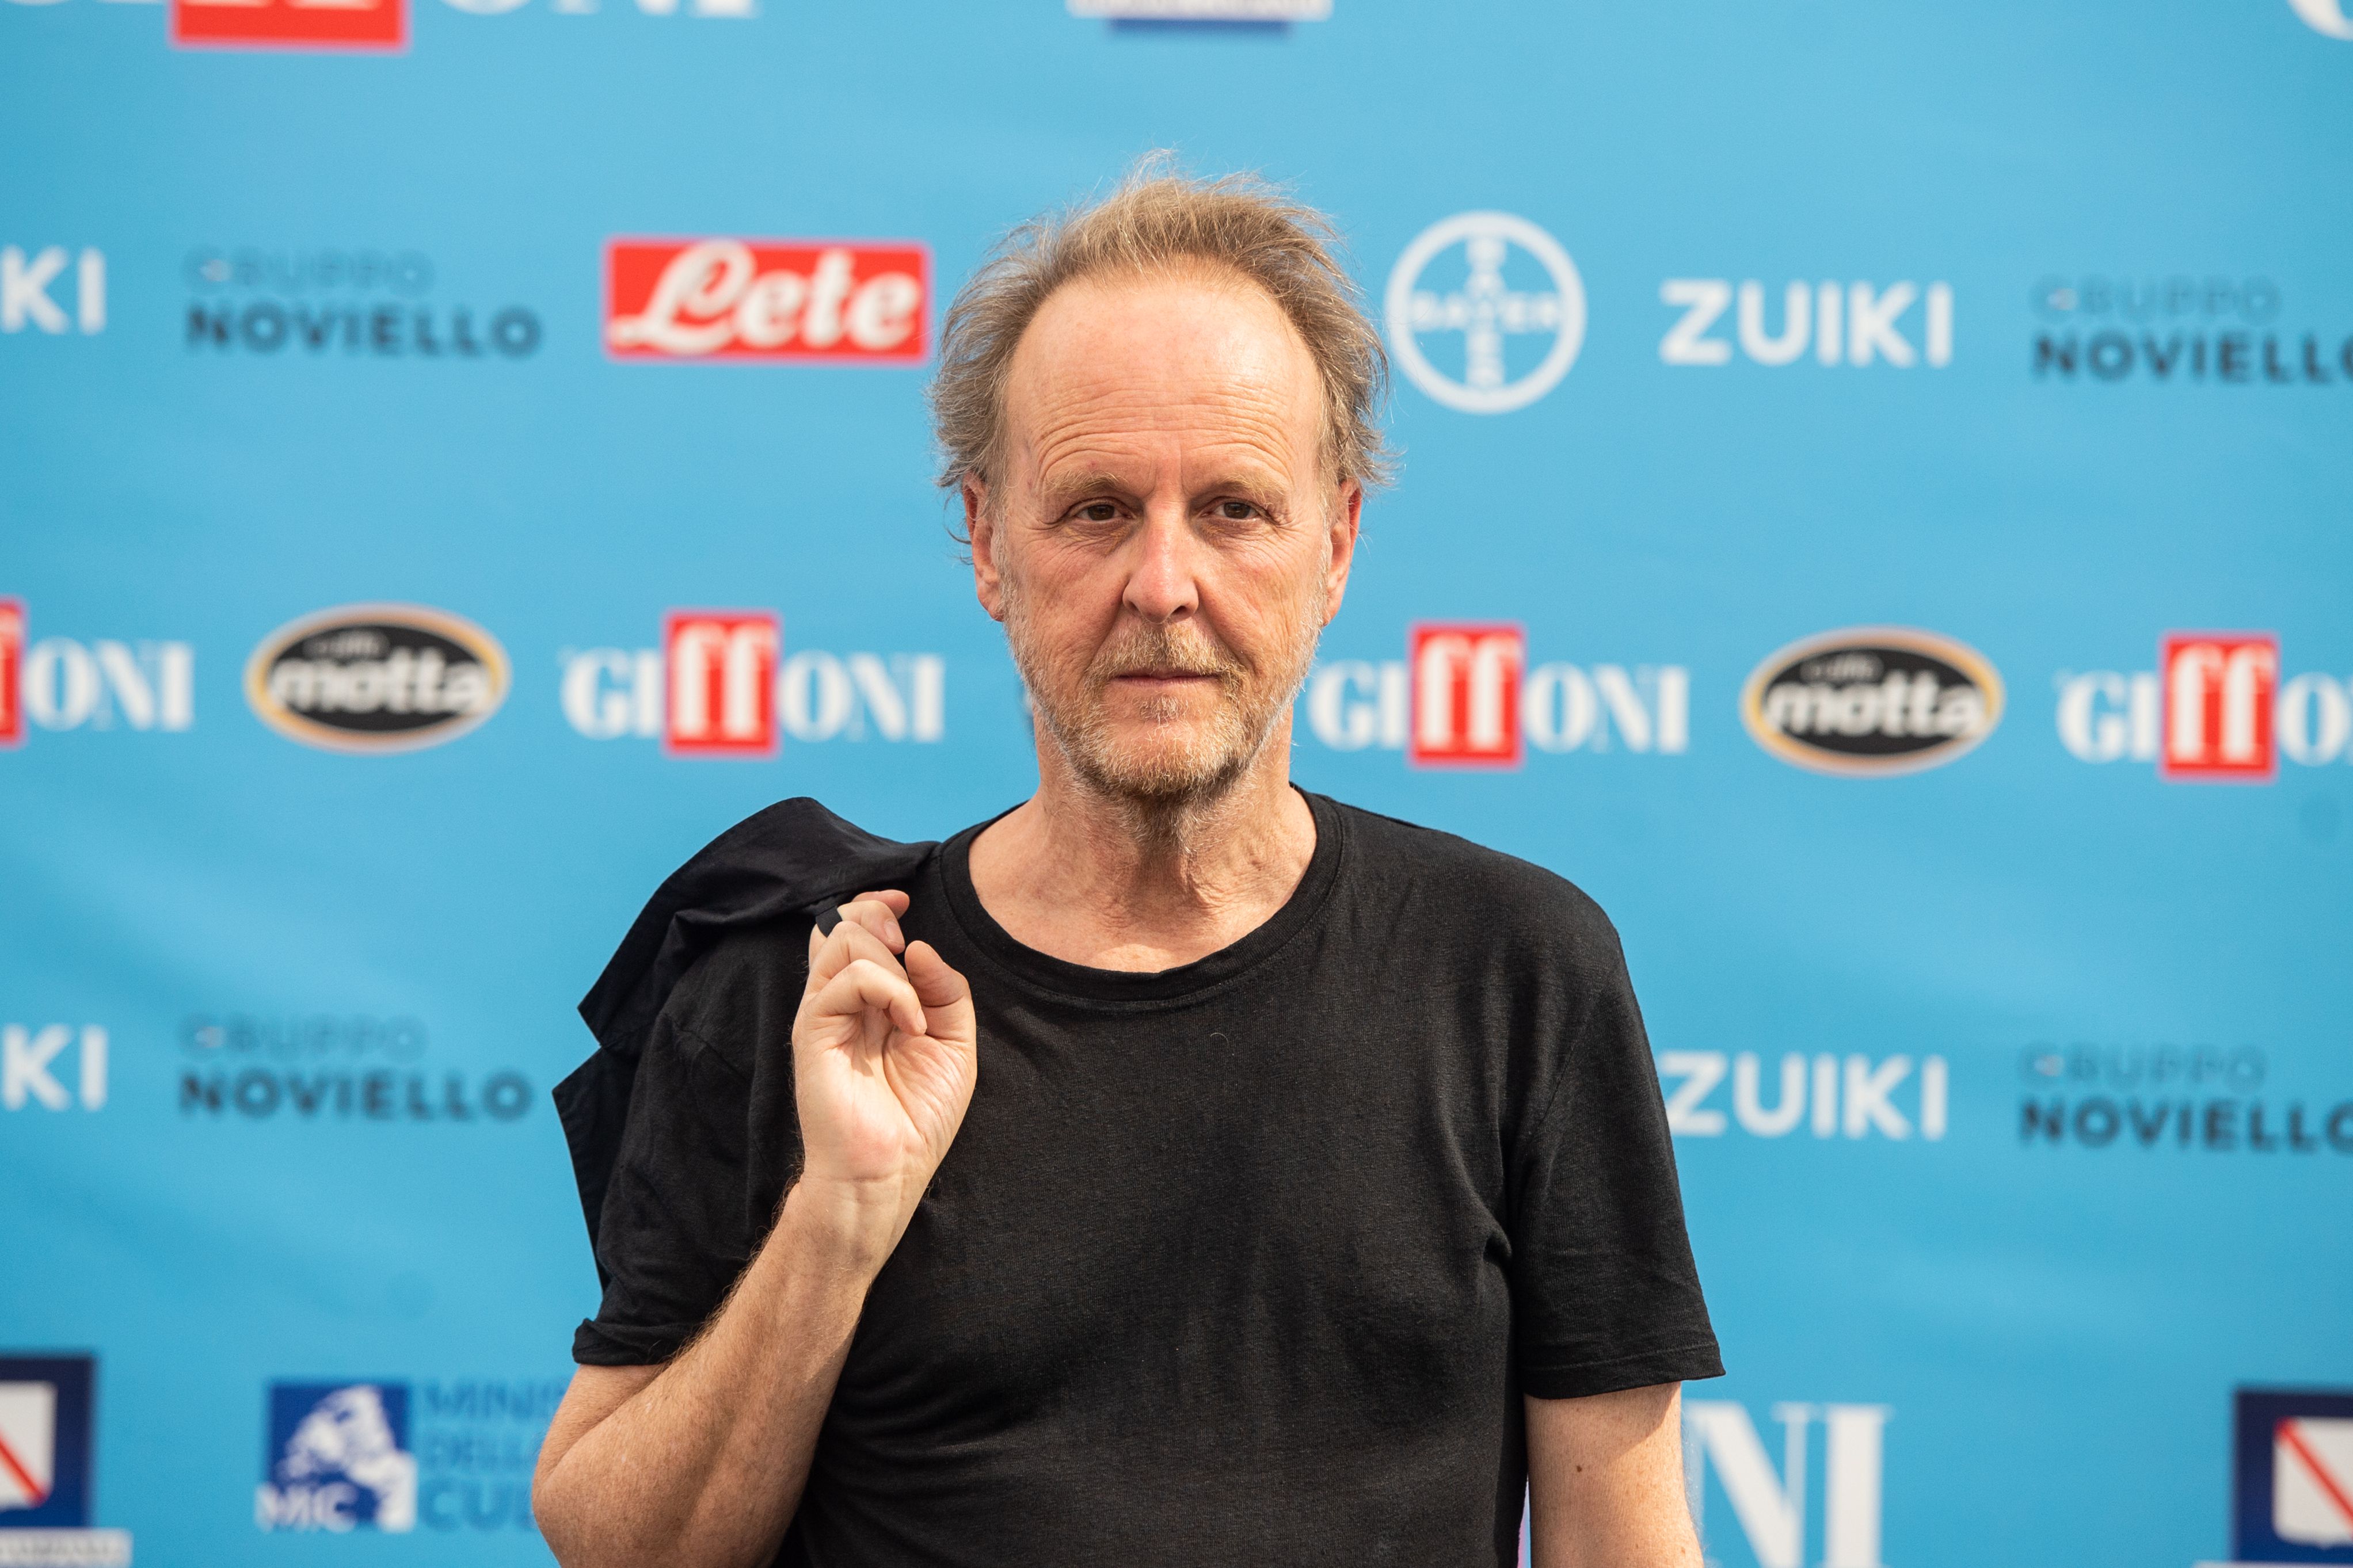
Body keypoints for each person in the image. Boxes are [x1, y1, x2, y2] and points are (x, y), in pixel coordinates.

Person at [531, 161, 1722, 1568]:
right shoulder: (815, 987)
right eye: (1096, 508)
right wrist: (836, 1222)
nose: (1162, 583)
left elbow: (1622, 1549)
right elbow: (621, 1548)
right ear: (984, 540)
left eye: (1233, 507)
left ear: (1334, 545)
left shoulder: (1517, 970)